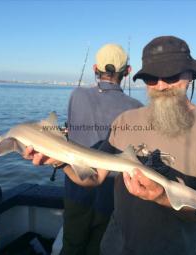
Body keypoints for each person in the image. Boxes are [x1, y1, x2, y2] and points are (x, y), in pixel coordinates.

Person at [26, 36, 196, 255]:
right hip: (114, 247)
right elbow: (93, 177)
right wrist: (60, 162)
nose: (161, 85)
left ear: (190, 75)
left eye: (172, 75)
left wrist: (163, 197)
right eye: (151, 78)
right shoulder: (126, 120)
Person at [26, 43, 142, 255]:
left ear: (95, 69)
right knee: (99, 248)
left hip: (76, 189)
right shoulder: (136, 107)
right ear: (128, 71)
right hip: (112, 196)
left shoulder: (77, 95)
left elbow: (70, 132)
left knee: (71, 246)